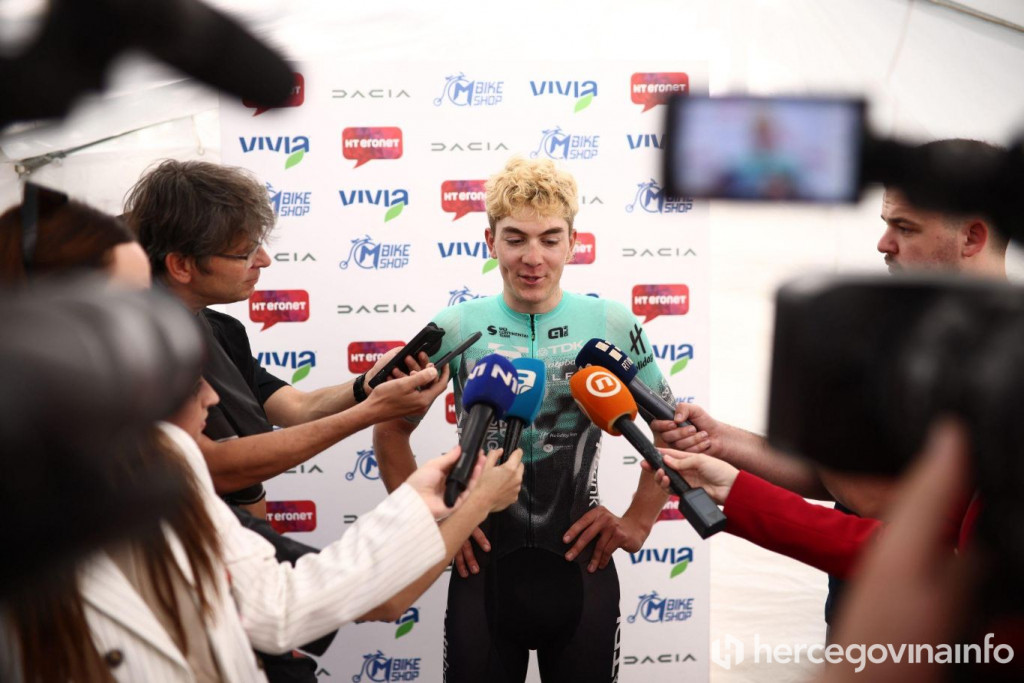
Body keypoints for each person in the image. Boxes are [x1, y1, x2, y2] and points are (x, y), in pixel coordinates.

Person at [373, 156, 681, 682]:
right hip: (483, 572)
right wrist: (431, 524)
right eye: (515, 239)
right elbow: (389, 427)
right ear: (489, 241)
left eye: (549, 239)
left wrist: (638, 520)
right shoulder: (458, 325)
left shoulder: (609, 321)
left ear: (573, 242)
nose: (532, 258)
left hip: (582, 568)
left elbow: (669, 428)